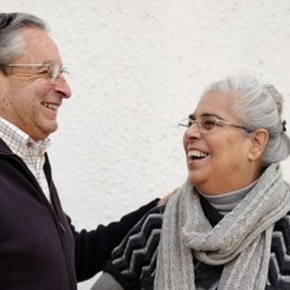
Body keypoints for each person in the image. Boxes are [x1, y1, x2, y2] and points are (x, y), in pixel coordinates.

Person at [0, 12, 174, 290]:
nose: (65, 89)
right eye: (47, 72)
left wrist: (158, 210)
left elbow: (72, 256)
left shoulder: (28, 159)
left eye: (62, 74)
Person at [92, 74, 290, 290]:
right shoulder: (158, 226)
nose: (190, 133)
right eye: (191, 122)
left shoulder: (284, 234)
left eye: (209, 123)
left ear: (256, 143)